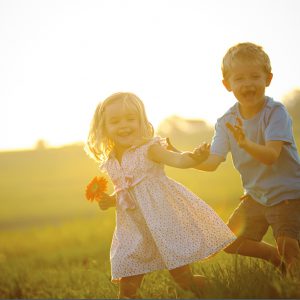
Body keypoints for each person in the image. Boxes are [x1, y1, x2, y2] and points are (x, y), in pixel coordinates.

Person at [85, 92, 236, 298]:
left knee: (184, 281)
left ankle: (222, 292)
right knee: (128, 284)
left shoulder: (149, 148)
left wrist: (194, 157)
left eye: (131, 119)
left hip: (163, 222)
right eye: (115, 121)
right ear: (104, 127)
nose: (124, 125)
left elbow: (178, 160)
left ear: (141, 121)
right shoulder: (111, 160)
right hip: (133, 229)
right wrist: (111, 200)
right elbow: (125, 189)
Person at [189, 42, 300, 275]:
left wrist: (245, 144)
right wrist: (188, 157)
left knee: (288, 246)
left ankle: (291, 278)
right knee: (230, 241)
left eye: (254, 76)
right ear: (227, 84)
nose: (248, 83)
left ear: (268, 79)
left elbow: (271, 156)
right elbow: (212, 162)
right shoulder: (226, 121)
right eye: (239, 78)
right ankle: (275, 257)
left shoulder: (275, 112)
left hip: (289, 194)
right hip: (257, 196)